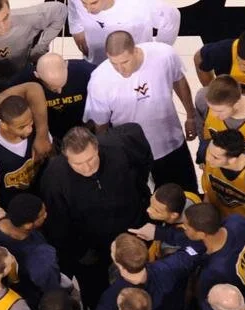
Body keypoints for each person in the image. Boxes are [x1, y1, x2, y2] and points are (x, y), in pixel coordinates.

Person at [39, 125, 152, 309]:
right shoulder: (54, 177)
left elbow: (143, 162)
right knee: (96, 296)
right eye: (77, 163)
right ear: (66, 158)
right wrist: (80, 253)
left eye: (91, 159)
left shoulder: (120, 150)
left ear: (97, 147)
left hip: (132, 234)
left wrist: (142, 208)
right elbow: (57, 223)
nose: (86, 167)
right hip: (91, 250)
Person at [85, 32, 198, 192]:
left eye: (125, 61)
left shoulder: (164, 55)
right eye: (113, 63)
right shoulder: (99, 79)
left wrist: (191, 116)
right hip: (130, 151)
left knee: (185, 192)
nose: (120, 69)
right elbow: (101, 124)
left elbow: (178, 80)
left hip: (171, 142)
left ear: (135, 51)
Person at [93, 232, 200, 310]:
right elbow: (199, 245)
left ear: (119, 265)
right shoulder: (169, 268)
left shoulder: (110, 301)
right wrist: (159, 232)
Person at [178, 203, 245, 310]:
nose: (183, 228)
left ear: (202, 234)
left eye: (186, 227)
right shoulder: (237, 221)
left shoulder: (212, 273)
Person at [0, 194, 71, 308]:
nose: (46, 215)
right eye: (42, 215)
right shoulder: (40, 257)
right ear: (28, 225)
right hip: (35, 299)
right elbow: (52, 291)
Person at [12, 53, 96, 142]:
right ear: (37, 75)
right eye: (53, 88)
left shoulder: (86, 71)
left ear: (66, 65)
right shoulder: (24, 80)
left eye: (62, 84)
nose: (59, 91)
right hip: (47, 133)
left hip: (82, 128)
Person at [68, 0, 180, 65]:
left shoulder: (141, 4)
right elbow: (73, 8)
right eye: (84, 3)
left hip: (134, 66)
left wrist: (158, 50)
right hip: (96, 63)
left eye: (93, 3)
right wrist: (77, 31)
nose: (88, 9)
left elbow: (172, 17)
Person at [0, 96, 45, 207]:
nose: (29, 129)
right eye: (22, 127)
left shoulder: (37, 129)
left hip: (37, 195)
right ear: (4, 126)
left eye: (30, 123)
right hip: (11, 208)